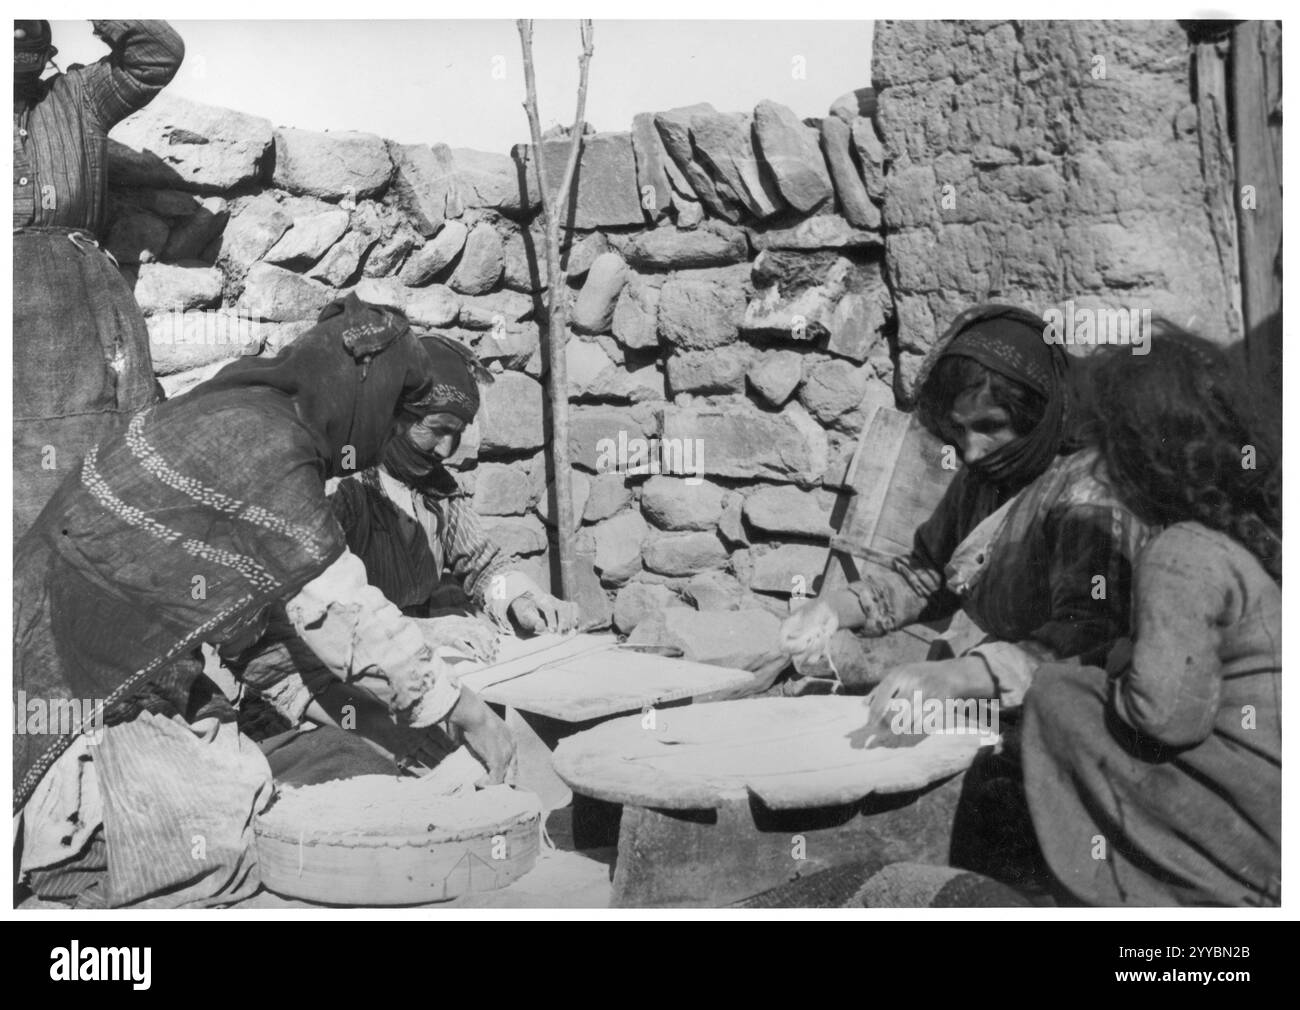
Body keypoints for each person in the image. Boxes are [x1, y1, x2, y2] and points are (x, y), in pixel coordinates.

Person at [14, 294, 514, 908]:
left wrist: (391, 725)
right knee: (221, 832)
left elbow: (263, 641)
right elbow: (343, 611)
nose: (389, 431)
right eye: (392, 409)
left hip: (125, 666)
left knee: (320, 757)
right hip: (73, 677)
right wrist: (464, 709)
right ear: (367, 395)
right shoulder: (268, 447)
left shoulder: (249, 422)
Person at [779, 304, 1152, 719]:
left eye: (990, 425)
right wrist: (833, 609)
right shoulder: (988, 472)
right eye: (959, 429)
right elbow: (926, 577)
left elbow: (1087, 636)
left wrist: (960, 677)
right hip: (1005, 688)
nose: (971, 450)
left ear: (1037, 414)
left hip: (1077, 709)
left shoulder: (1090, 494)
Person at [226, 332, 582, 764]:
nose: (447, 449)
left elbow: (482, 563)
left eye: (459, 433)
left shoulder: (437, 490)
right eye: (437, 430)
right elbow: (324, 617)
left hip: (414, 678)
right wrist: (427, 631)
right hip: (339, 690)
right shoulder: (343, 490)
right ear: (396, 416)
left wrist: (522, 599)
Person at [1022, 329, 1281, 906]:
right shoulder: (1254, 527)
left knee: (1058, 693)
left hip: (1261, 830)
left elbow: (1167, 717)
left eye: (1111, 452)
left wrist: (1117, 666)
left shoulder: (1180, 553)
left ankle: (1176, 886)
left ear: (1143, 460)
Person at [13, 19, 184, 538]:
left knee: (101, 424)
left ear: (46, 53)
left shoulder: (78, 96)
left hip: (78, 297)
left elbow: (157, 52)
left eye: (27, 45)